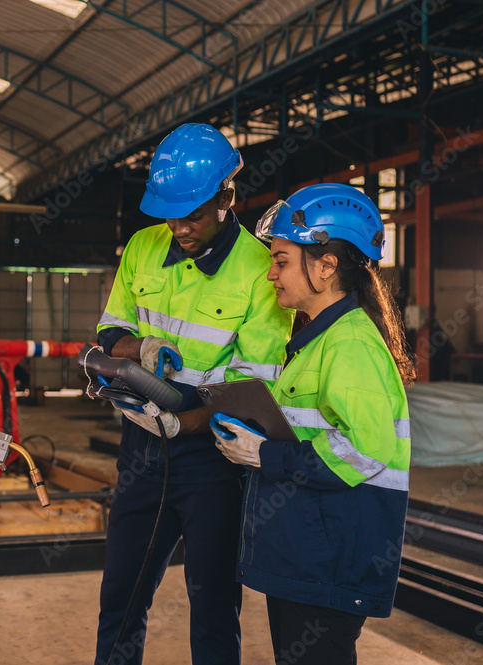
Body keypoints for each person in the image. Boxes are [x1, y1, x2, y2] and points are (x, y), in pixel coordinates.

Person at [94, 123, 294, 665]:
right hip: (140, 454)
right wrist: (140, 349)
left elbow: (250, 390)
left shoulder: (260, 273)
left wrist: (185, 420)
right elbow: (109, 333)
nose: (179, 227)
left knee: (212, 608)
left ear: (227, 198)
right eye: (171, 214)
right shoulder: (143, 246)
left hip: (213, 461)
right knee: (120, 599)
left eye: (194, 215)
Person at [213, 183, 413, 665]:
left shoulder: (350, 345)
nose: (271, 274)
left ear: (325, 267)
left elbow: (363, 452)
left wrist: (264, 454)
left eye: (281, 260)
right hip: (308, 556)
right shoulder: (319, 340)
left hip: (330, 562)